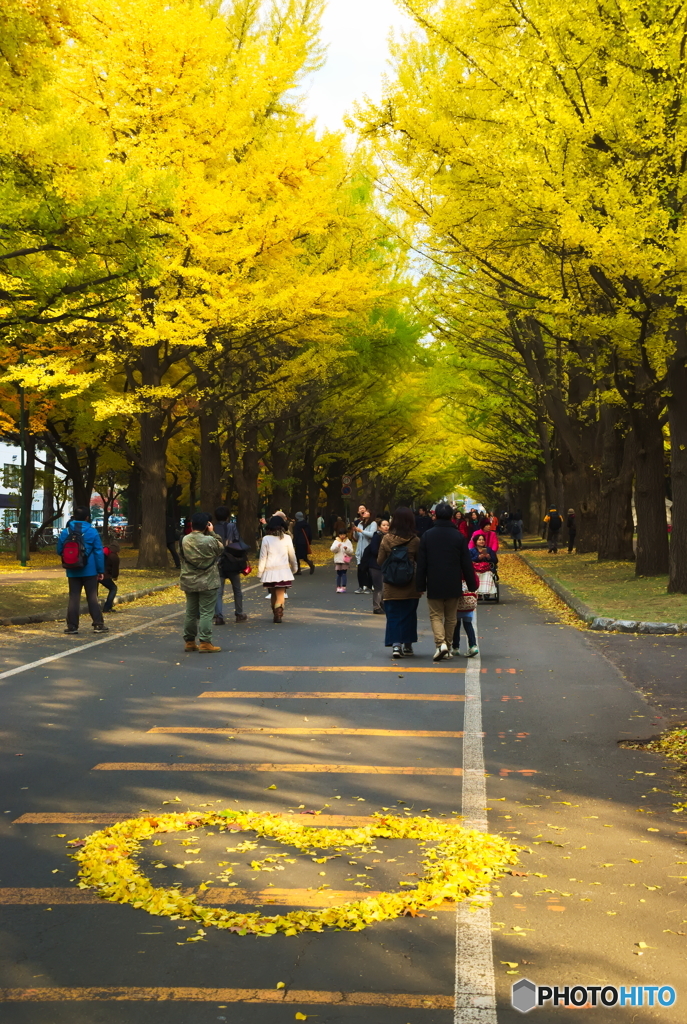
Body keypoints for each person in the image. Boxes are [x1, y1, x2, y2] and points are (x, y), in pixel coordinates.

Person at [416, 502, 477, 662]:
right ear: (451, 517)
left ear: (435, 515)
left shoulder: (428, 535)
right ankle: (448, 647)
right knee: (451, 617)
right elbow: (466, 563)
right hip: (453, 581)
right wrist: (472, 584)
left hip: (434, 581)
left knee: (436, 615)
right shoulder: (458, 536)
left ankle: (440, 644)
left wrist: (420, 585)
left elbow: (422, 563)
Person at [377, 506, 422, 659]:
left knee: (393, 615)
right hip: (411, 583)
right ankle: (408, 644)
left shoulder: (387, 538)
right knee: (409, 614)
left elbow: (380, 561)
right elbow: (420, 562)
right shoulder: (415, 540)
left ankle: (396, 645)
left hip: (391, 583)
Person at [57, 506, 108, 635]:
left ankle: (72, 626)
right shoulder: (92, 532)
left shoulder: (66, 531)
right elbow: (98, 552)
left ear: (74, 516)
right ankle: (98, 624)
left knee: (74, 598)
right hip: (90, 570)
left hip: (72, 569)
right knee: (92, 597)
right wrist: (100, 570)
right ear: (87, 517)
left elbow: (59, 550)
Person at [179, 512, 224, 652]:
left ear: (192, 524)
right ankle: (205, 642)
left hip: (189, 580)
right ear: (207, 525)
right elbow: (220, 548)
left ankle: (189, 642)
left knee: (191, 612)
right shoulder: (209, 540)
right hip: (208, 581)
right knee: (206, 612)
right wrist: (213, 533)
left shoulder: (184, 540)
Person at [258, 515, 298, 622]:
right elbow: (292, 555)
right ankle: (278, 613)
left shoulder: (266, 539)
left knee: (273, 593)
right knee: (280, 593)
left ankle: (275, 612)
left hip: (270, 571)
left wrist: (260, 572)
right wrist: (295, 568)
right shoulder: (287, 538)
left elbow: (263, 557)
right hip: (283, 571)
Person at [213, 506, 248, 625]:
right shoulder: (232, 526)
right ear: (227, 516)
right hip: (232, 561)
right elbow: (238, 541)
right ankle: (239, 613)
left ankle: (218, 616)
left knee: (218, 591)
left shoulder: (213, 529)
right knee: (237, 589)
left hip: (218, 562)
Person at [364, 517, 390, 613]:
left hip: (385, 565)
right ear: (379, 527)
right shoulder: (376, 536)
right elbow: (374, 550)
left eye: (387, 525)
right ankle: (376, 607)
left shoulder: (389, 536)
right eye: (383, 525)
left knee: (384, 586)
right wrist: (385, 552)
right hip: (375, 565)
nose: (386, 527)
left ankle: (382, 603)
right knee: (378, 587)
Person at [353, 507, 377, 593]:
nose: (364, 513)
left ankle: (369, 587)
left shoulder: (373, 523)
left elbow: (372, 535)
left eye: (366, 512)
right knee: (360, 568)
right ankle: (361, 586)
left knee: (368, 568)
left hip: (368, 548)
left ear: (370, 514)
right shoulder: (360, 523)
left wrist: (361, 531)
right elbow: (356, 537)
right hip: (360, 548)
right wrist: (355, 531)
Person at [100, 540, 120, 613]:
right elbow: (115, 571)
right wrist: (114, 577)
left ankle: (93, 609)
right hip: (104, 575)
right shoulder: (114, 557)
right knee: (113, 588)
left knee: (94, 592)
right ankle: (107, 607)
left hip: (95, 573)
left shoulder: (105, 553)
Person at [331, 528, 354, 592]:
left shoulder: (348, 541)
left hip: (345, 560)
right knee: (339, 573)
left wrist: (346, 549)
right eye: (341, 535)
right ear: (339, 535)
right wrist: (337, 546)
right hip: (338, 559)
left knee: (344, 573)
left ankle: (344, 586)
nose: (342, 536)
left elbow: (351, 551)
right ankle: (338, 586)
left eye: (344, 535)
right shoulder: (336, 541)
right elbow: (332, 549)